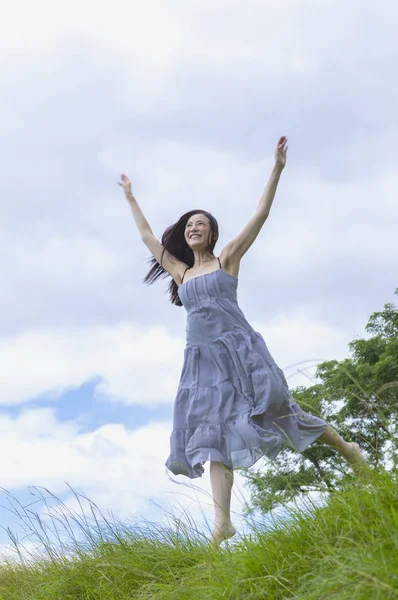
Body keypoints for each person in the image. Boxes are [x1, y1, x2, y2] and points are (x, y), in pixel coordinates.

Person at [118, 136, 368, 547]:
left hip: (242, 354)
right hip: (203, 368)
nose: (193, 228)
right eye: (188, 225)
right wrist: (131, 197)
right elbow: (147, 236)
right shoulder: (180, 273)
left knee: (282, 413)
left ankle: (348, 448)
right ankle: (222, 523)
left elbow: (261, 213)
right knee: (212, 438)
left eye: (200, 223)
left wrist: (277, 167)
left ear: (213, 233)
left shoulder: (227, 258)